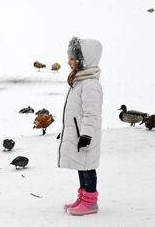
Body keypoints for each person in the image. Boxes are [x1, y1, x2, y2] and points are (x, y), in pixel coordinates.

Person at [58, 36, 103, 216]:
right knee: (81, 165)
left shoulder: (90, 84)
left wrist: (86, 135)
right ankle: (83, 197)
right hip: (78, 133)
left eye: (72, 58)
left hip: (85, 135)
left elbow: (91, 113)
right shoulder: (80, 80)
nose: (68, 62)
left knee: (87, 167)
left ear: (83, 60)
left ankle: (91, 202)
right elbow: (74, 112)